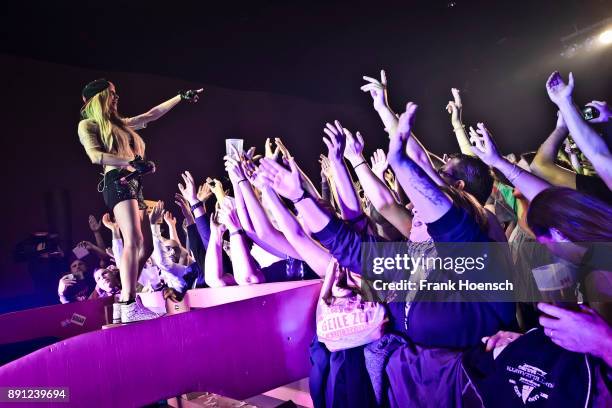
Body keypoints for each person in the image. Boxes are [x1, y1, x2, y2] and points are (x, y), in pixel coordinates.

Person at [77, 78, 202, 323]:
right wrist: (130, 163)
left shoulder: (119, 124)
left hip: (134, 183)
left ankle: (125, 302)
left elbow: (151, 115)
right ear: (99, 97)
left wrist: (180, 97)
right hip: (117, 182)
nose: (116, 97)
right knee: (133, 241)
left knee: (146, 247)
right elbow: (95, 156)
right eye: (111, 93)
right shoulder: (88, 124)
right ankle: (128, 302)